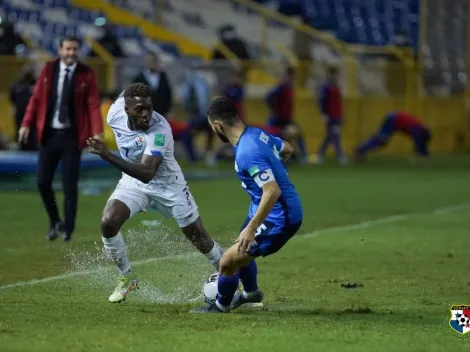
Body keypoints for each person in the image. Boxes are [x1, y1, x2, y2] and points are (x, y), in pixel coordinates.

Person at [86, 83, 224, 303]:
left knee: (198, 237)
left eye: (149, 108)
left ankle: (231, 274)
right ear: (126, 109)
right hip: (133, 180)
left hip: (167, 184)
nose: (146, 114)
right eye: (139, 109)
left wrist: (107, 155)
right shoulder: (114, 114)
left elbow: (148, 173)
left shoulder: (160, 130)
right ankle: (127, 277)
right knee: (108, 222)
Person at [192, 97, 303, 313]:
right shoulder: (256, 134)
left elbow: (272, 191)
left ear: (217, 126)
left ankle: (221, 305)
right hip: (267, 207)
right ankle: (251, 294)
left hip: (280, 217)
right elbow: (288, 148)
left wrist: (252, 228)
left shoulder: (247, 151)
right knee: (240, 250)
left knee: (227, 263)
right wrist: (276, 170)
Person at [18, 36, 103, 242]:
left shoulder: (86, 74)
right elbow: (36, 98)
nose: (71, 53)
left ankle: (68, 228)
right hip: (49, 135)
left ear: (78, 51)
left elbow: (92, 104)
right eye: (68, 49)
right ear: (60, 50)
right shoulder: (48, 70)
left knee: (69, 185)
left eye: (75, 49)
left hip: (72, 138)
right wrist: (25, 124)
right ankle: (55, 220)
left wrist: (97, 131)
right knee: (42, 181)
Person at [266, 67, 308, 162]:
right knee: (276, 137)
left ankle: (301, 157)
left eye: (292, 77)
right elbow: (269, 98)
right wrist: (276, 110)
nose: (291, 79)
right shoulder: (281, 88)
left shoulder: (289, 88)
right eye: (289, 77)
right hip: (279, 119)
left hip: (287, 119)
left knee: (297, 135)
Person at [355, 111, 432, 160]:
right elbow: (419, 142)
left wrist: (423, 152)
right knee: (381, 140)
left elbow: (420, 142)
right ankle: (361, 149)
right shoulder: (417, 128)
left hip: (394, 119)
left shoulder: (418, 128)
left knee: (381, 140)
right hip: (393, 120)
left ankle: (361, 148)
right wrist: (424, 154)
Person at [316, 66, 346, 165]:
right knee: (335, 135)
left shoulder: (336, 86)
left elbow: (339, 102)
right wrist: (324, 114)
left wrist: (341, 115)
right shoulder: (326, 87)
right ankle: (340, 156)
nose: (335, 76)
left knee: (330, 136)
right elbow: (322, 101)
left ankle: (320, 154)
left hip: (336, 115)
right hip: (330, 115)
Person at [132, 52, 172, 117]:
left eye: (153, 61)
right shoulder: (139, 78)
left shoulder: (162, 76)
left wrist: (168, 109)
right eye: (148, 61)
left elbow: (168, 93)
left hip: (160, 113)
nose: (151, 63)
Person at [9, 64, 37, 151]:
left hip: (33, 115)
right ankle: (20, 147)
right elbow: (12, 98)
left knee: (32, 133)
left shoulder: (36, 85)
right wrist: (13, 108)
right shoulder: (16, 85)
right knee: (19, 131)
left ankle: (33, 147)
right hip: (20, 115)